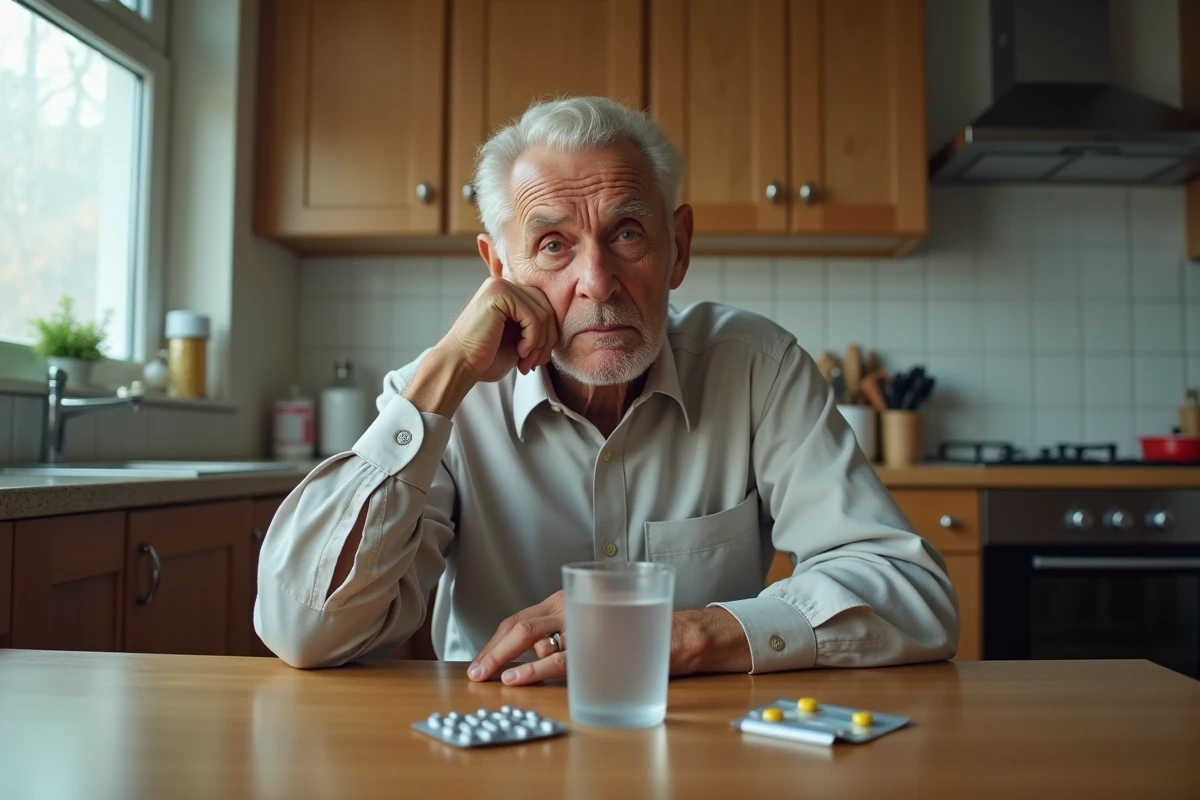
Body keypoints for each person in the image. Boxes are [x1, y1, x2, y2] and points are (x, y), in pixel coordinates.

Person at [254, 96, 958, 683]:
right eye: (553, 244)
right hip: (494, 743)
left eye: (626, 234)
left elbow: (915, 594)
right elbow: (303, 631)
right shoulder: (446, 397)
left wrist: (692, 634)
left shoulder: (756, 369)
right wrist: (442, 376)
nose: (597, 281)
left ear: (678, 248)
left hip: (703, 743)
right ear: (498, 267)